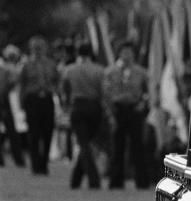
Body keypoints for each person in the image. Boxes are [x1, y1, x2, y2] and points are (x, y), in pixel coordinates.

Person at [102, 41, 149, 189]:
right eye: (124, 52)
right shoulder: (111, 72)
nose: (127, 55)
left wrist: (143, 104)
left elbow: (148, 92)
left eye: (130, 52)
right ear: (119, 53)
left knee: (138, 146)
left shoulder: (141, 72)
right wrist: (110, 112)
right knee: (117, 146)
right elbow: (106, 93)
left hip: (134, 110)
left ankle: (141, 181)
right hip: (118, 110)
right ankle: (116, 181)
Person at [61, 43, 105, 189]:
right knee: (86, 143)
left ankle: (91, 179)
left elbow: (64, 91)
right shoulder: (99, 70)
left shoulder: (69, 70)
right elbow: (103, 91)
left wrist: (66, 106)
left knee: (83, 143)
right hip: (94, 107)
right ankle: (77, 179)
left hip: (78, 106)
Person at [18, 35, 59, 175]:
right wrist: (21, 103)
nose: (38, 50)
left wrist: (55, 92)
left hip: (47, 99)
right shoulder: (26, 65)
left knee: (48, 132)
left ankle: (44, 163)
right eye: (35, 47)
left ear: (45, 48)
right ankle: (35, 166)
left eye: (40, 47)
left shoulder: (51, 64)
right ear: (31, 49)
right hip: (32, 100)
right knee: (34, 134)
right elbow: (22, 85)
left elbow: (57, 81)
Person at [0, 44, 26, 167]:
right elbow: (11, 84)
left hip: (8, 99)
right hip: (8, 100)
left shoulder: (6, 68)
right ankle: (18, 159)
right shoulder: (10, 69)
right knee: (12, 131)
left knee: (9, 131)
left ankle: (16, 158)